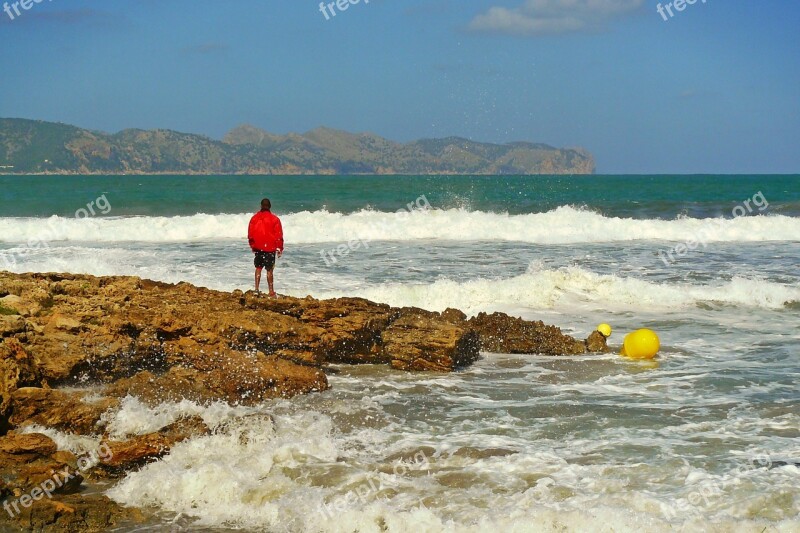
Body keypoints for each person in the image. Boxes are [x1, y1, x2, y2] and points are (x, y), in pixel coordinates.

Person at [248, 198, 284, 297]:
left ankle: (256, 289)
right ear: (270, 206)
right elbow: (278, 235)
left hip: (259, 247)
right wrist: (279, 248)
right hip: (270, 247)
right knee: (269, 270)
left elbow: (250, 234)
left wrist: (252, 245)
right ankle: (271, 291)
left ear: (261, 206)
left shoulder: (254, 218)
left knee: (258, 268)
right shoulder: (275, 219)